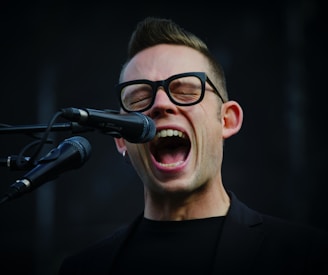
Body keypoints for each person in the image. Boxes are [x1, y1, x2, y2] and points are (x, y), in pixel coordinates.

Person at [58, 17, 328, 275]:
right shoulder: (84, 269)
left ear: (227, 120)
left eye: (185, 91)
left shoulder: (306, 256)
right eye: (139, 98)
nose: (160, 104)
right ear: (121, 139)